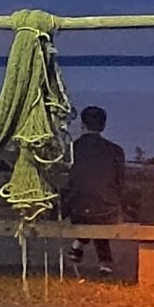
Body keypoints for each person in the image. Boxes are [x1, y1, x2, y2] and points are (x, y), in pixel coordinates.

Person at [61, 106, 128, 276]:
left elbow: (66, 181)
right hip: (107, 209)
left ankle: (80, 245)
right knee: (99, 209)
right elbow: (120, 183)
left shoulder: (71, 149)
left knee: (89, 205)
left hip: (77, 208)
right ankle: (104, 261)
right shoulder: (116, 151)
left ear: (82, 124)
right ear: (103, 126)